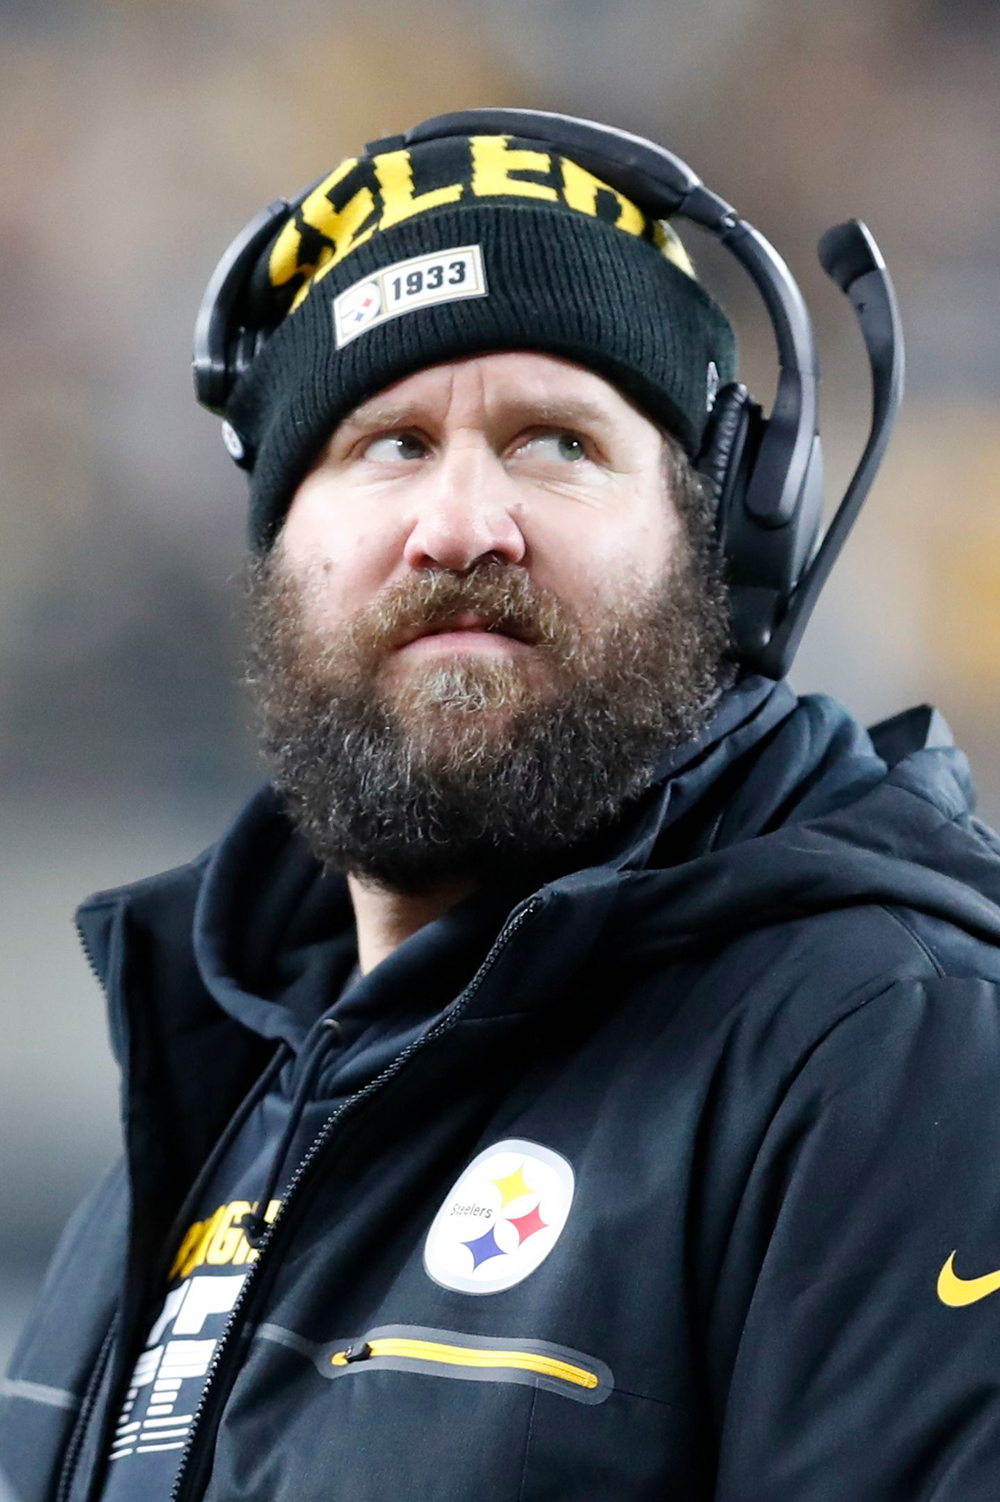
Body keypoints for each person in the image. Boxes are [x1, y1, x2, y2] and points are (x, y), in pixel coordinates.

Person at [4, 115, 1000, 1502]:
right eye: (390, 443)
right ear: (282, 553)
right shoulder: (214, 1085)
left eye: (556, 443)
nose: (461, 524)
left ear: (729, 544)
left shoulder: (893, 1050)